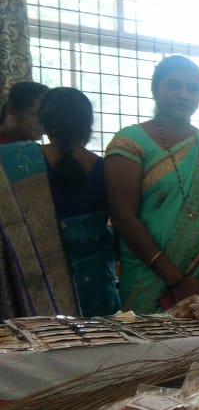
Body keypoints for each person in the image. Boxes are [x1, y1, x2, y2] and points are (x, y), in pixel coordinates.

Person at [106, 55, 199, 313]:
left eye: (192, 88)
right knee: (147, 339)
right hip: (148, 277)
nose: (183, 95)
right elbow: (123, 216)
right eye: (173, 85)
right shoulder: (130, 141)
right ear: (155, 89)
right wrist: (176, 280)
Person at [0, 87, 119, 317]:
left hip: (36, 295)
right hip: (95, 291)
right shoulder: (106, 169)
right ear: (88, 125)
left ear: (44, 124)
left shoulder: (15, 163)